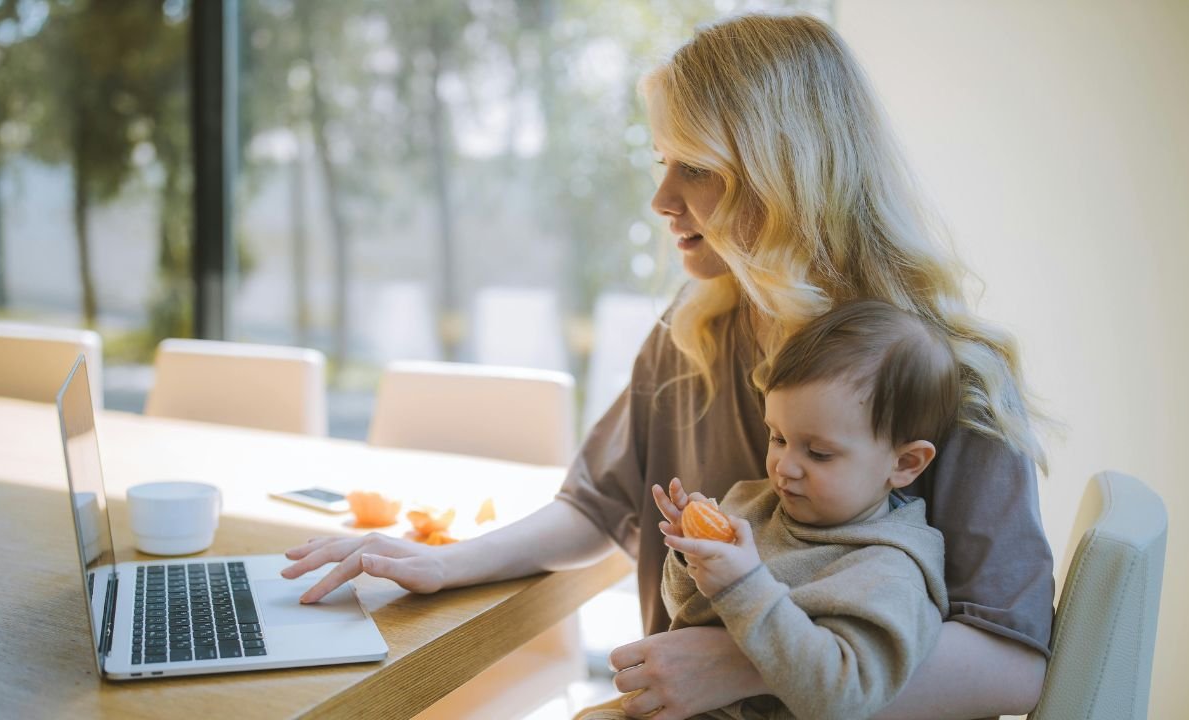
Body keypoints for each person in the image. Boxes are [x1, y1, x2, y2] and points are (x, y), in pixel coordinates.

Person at [281, 13, 1054, 720]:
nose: (660, 198)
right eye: (662, 162)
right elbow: (596, 507)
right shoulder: (692, 334)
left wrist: (747, 663)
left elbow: (1014, 664)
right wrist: (448, 563)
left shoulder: (953, 377)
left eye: (696, 168)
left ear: (784, 174)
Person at [576, 299, 958, 720]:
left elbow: (843, 696)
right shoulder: (754, 505)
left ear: (904, 464)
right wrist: (692, 556)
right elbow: (685, 616)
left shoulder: (889, 570)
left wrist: (744, 585)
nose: (784, 466)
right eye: (777, 438)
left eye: (819, 453)